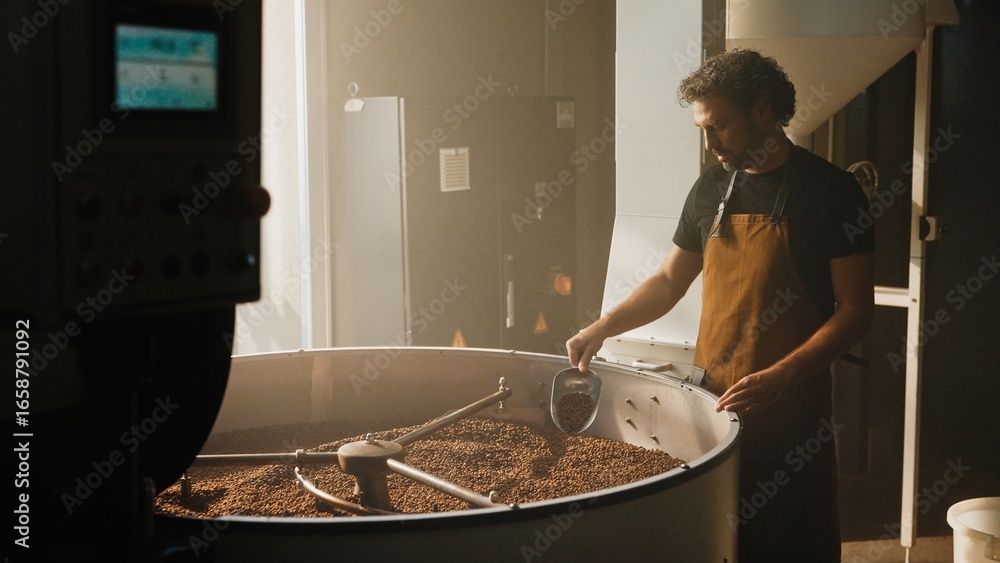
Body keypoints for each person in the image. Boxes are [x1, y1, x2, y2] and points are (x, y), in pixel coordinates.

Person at [566, 48, 875, 562]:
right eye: (703, 130)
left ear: (763, 111)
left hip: (791, 414)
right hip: (714, 409)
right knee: (722, 544)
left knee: (792, 543)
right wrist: (601, 328)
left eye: (721, 127)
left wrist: (779, 376)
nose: (710, 145)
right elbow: (668, 281)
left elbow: (855, 313)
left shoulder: (833, 193)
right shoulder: (711, 189)